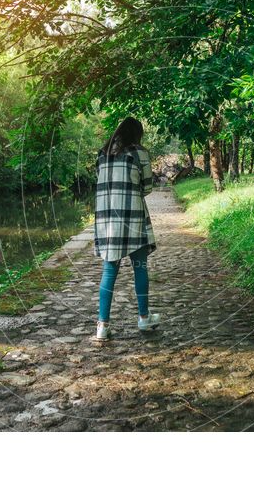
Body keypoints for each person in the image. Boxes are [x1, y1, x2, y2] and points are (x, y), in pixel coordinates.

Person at [93, 117, 159, 340]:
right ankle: (143, 318)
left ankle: (102, 325)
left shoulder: (102, 154)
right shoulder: (139, 153)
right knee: (140, 267)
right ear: (136, 134)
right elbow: (147, 187)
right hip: (132, 217)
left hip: (107, 220)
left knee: (109, 272)